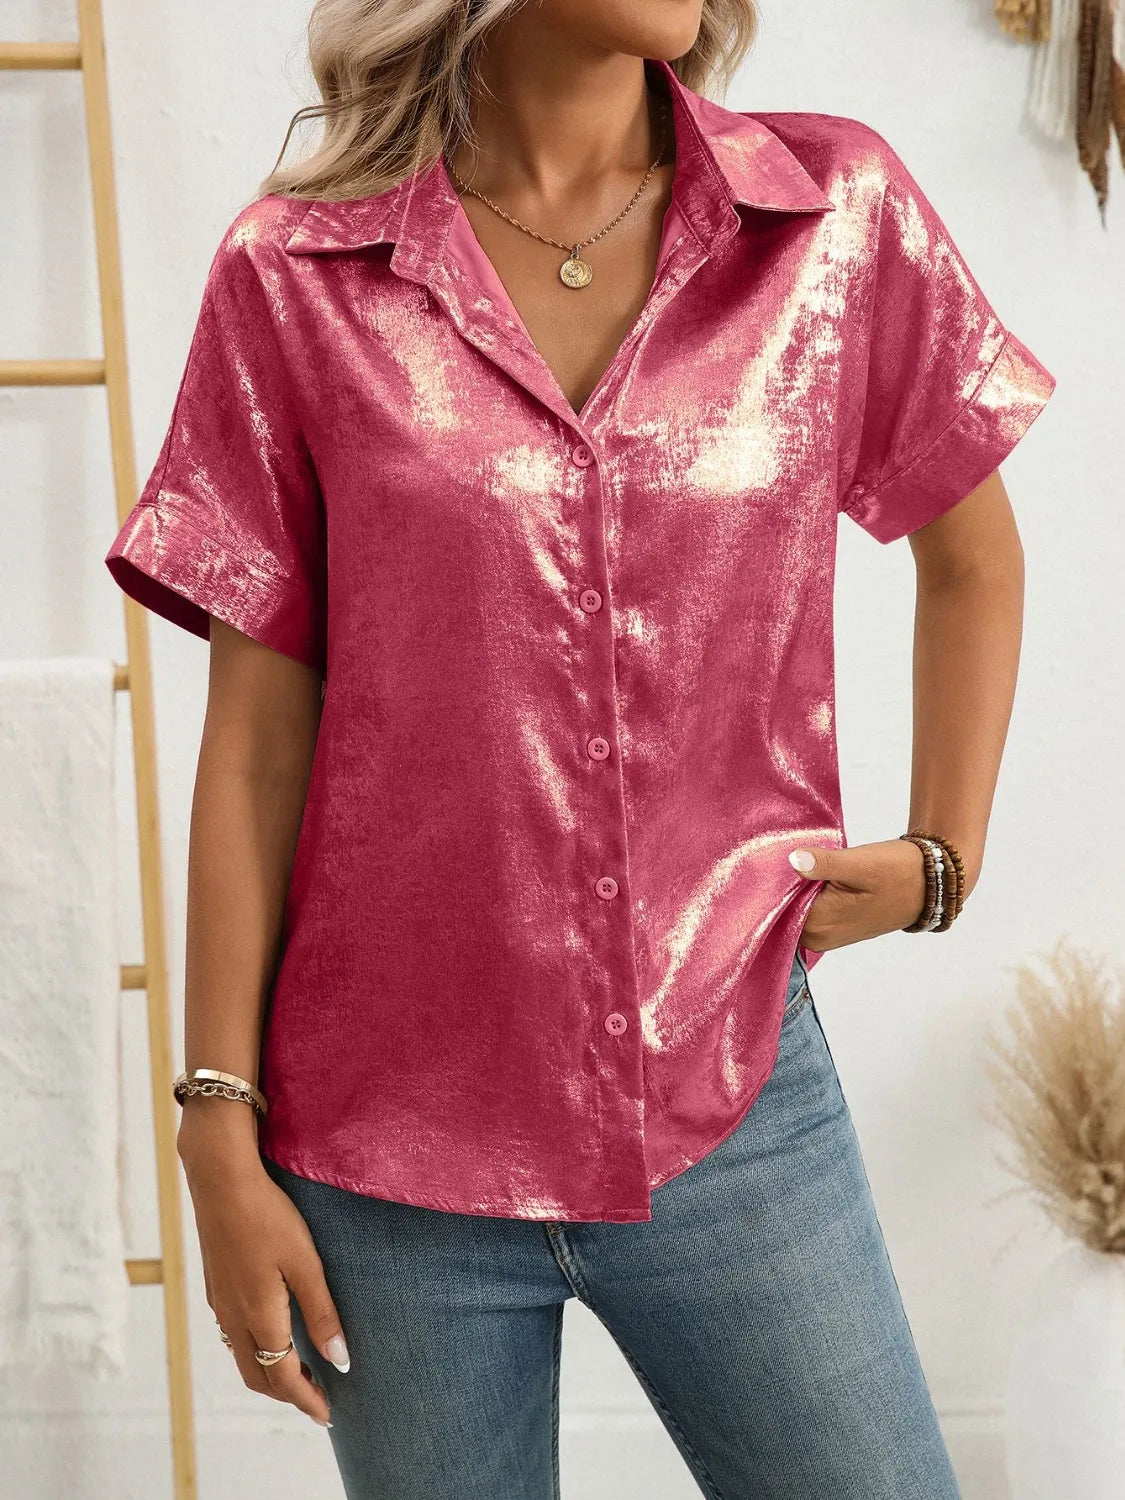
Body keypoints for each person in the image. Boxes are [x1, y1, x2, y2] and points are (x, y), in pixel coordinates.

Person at [104, 2, 1056, 1496]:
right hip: (384, 1148)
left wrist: (943, 853)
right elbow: (255, 742)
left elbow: (973, 555)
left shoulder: (830, 214)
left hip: (734, 1094)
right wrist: (216, 1125)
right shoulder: (295, 272)